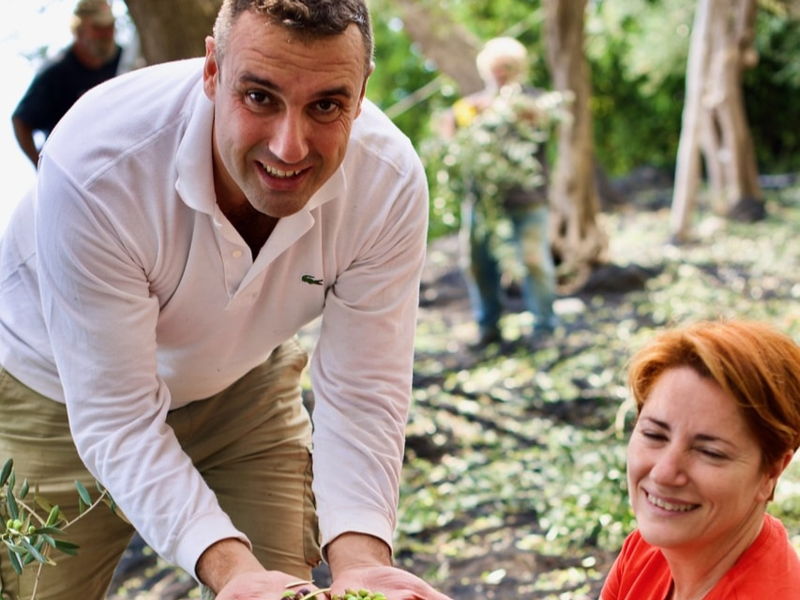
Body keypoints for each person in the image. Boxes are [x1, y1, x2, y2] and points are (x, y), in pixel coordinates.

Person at [0, 1, 451, 599]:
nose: (290, 148)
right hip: (56, 392)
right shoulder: (100, 164)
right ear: (212, 70)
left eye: (326, 105)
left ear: (362, 92)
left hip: (242, 388)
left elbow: (364, 388)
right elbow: (116, 416)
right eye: (260, 97)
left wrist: (362, 561)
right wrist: (230, 570)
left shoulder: (387, 182)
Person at [601, 319, 800, 599]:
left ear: (771, 472)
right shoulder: (648, 551)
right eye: (654, 435)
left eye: (710, 452)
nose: (663, 473)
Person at [444, 37, 559, 349]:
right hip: (481, 202)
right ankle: (488, 327)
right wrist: (451, 127)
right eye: (494, 68)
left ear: (519, 68)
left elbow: (544, 120)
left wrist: (510, 110)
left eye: (506, 67)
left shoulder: (535, 102)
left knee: (534, 262)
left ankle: (544, 329)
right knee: (477, 264)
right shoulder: (470, 107)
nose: (500, 73)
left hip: (527, 200)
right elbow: (451, 141)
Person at [12, 0, 123, 168]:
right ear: (79, 31)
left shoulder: (123, 60)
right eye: (98, 28)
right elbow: (21, 121)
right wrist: (41, 167)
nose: (106, 34)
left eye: (110, 26)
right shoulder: (56, 73)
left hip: (113, 160)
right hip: (72, 165)